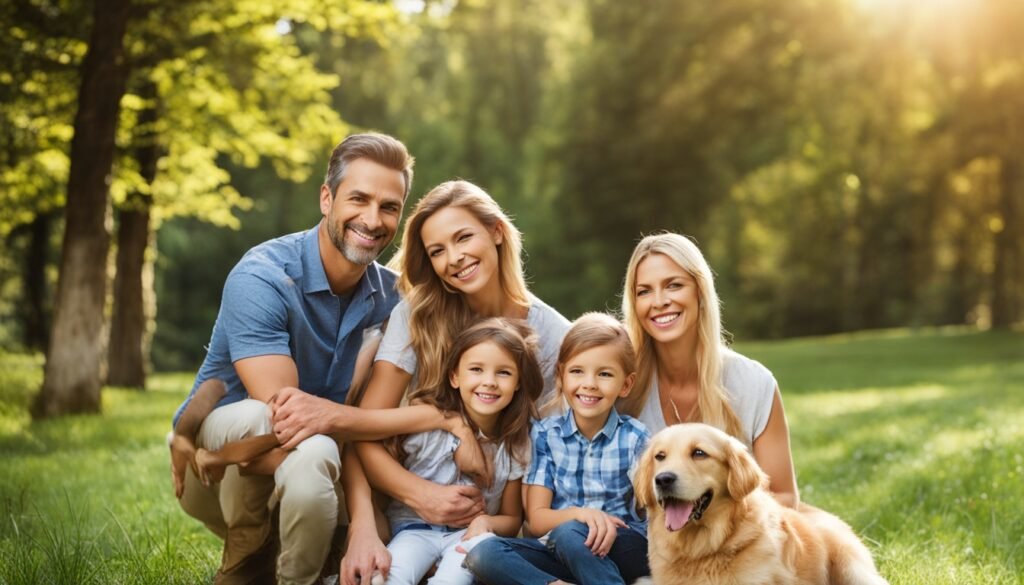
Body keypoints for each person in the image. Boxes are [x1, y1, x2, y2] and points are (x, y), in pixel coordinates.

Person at [170, 132, 416, 585]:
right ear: (326, 198)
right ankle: (251, 547)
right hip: (219, 457)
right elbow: (285, 419)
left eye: (389, 207)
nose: (372, 219)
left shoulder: (391, 297)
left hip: (314, 458)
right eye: (358, 199)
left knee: (330, 464)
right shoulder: (262, 276)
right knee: (298, 435)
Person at [346, 180, 570, 585]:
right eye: (437, 251)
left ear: (497, 231)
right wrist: (421, 495)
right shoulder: (419, 316)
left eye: (463, 237)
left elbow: (562, 450)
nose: (454, 258)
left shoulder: (550, 333)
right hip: (408, 515)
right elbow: (364, 430)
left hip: (493, 526)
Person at [465, 312, 651, 585]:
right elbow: (537, 520)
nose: (589, 383)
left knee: (570, 534)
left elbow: (654, 511)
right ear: (561, 376)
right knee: (483, 554)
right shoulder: (545, 435)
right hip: (559, 551)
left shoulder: (635, 437)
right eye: (577, 371)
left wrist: (585, 525)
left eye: (605, 374)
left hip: (619, 546)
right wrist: (581, 515)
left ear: (626, 384)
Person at [617, 232, 800, 507]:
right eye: (644, 291)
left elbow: (783, 496)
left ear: (700, 292)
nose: (659, 301)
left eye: (674, 285)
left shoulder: (754, 383)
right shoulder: (620, 385)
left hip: (732, 544)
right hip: (635, 542)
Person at [384, 317, 542, 585]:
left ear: (517, 383)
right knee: (390, 577)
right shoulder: (428, 423)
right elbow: (377, 449)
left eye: (503, 372)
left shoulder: (517, 443)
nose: (489, 382)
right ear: (455, 377)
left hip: (469, 535)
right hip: (414, 529)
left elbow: (512, 518)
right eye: (477, 369)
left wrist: (486, 524)